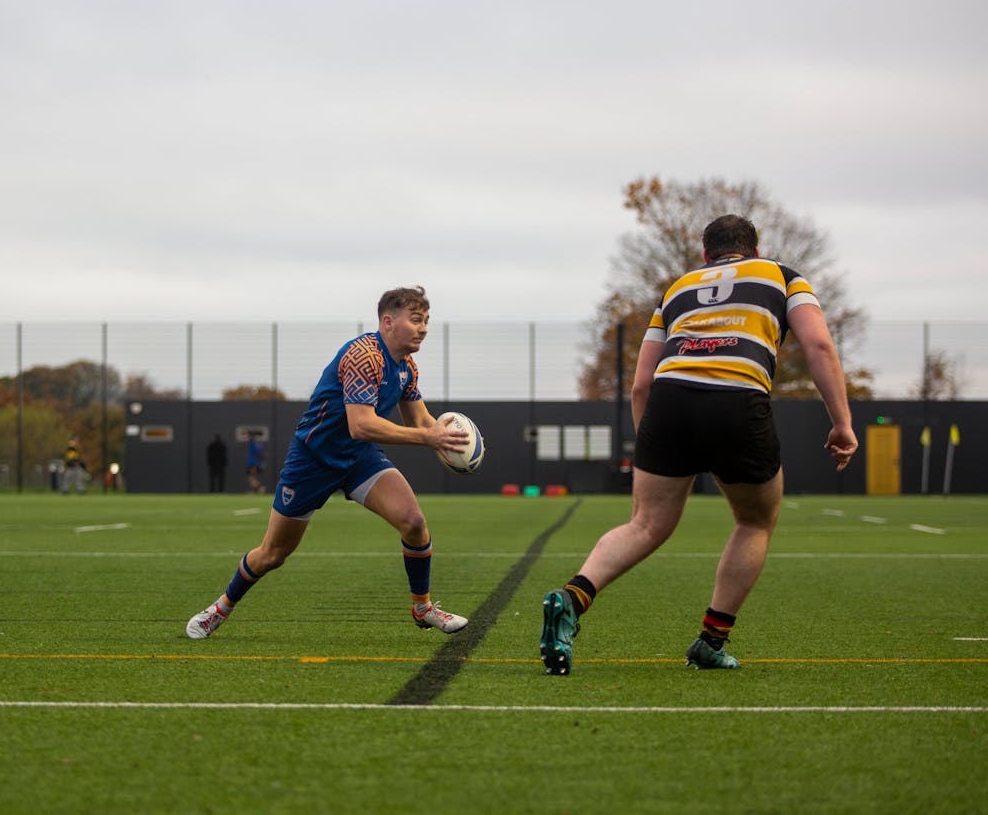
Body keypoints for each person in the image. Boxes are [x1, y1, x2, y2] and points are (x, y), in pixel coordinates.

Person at [540, 214, 857, 675]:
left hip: (669, 403)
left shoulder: (679, 288)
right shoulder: (783, 277)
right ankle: (711, 640)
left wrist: (648, 441)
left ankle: (571, 598)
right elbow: (820, 347)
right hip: (739, 401)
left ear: (706, 254)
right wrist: (842, 423)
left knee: (645, 524)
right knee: (754, 522)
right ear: (753, 249)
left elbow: (640, 385)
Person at [186, 286, 472, 640]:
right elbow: (361, 424)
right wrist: (427, 439)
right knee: (273, 555)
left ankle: (423, 607)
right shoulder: (364, 355)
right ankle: (220, 608)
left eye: (426, 321)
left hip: (359, 459)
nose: (424, 328)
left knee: (413, 523)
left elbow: (420, 419)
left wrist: (451, 441)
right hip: (313, 460)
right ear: (387, 321)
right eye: (415, 319)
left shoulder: (406, 367)